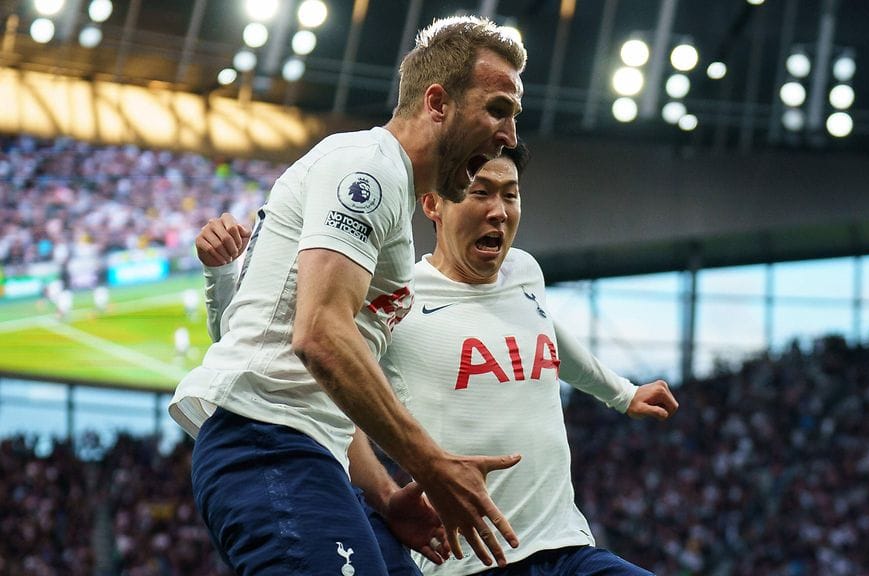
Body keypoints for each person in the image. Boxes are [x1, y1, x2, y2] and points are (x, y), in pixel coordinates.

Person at [196, 144, 679, 575]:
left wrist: (623, 393)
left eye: (510, 195)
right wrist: (221, 277)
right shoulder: (397, 295)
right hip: (467, 563)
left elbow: (548, 334)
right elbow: (312, 386)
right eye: (481, 193)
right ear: (433, 204)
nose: (499, 211)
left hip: (565, 548)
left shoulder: (524, 272)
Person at [169, 16, 527, 575]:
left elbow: (327, 378)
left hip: (309, 454)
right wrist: (431, 465)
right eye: (498, 109)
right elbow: (320, 337)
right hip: (267, 445)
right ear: (437, 102)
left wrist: (386, 496)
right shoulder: (368, 168)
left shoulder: (392, 195)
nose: (509, 135)